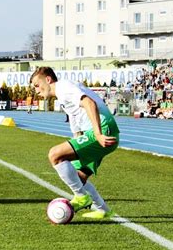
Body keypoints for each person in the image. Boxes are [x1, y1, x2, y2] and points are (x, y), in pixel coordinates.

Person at [30, 67, 119, 219]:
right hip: (100, 130)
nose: (36, 90)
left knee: (55, 155)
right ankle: (103, 210)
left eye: (37, 85)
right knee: (78, 176)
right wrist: (77, 140)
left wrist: (97, 134)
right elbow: (76, 123)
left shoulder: (63, 87)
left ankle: (81, 197)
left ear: (48, 79)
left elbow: (89, 103)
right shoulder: (63, 95)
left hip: (102, 129)